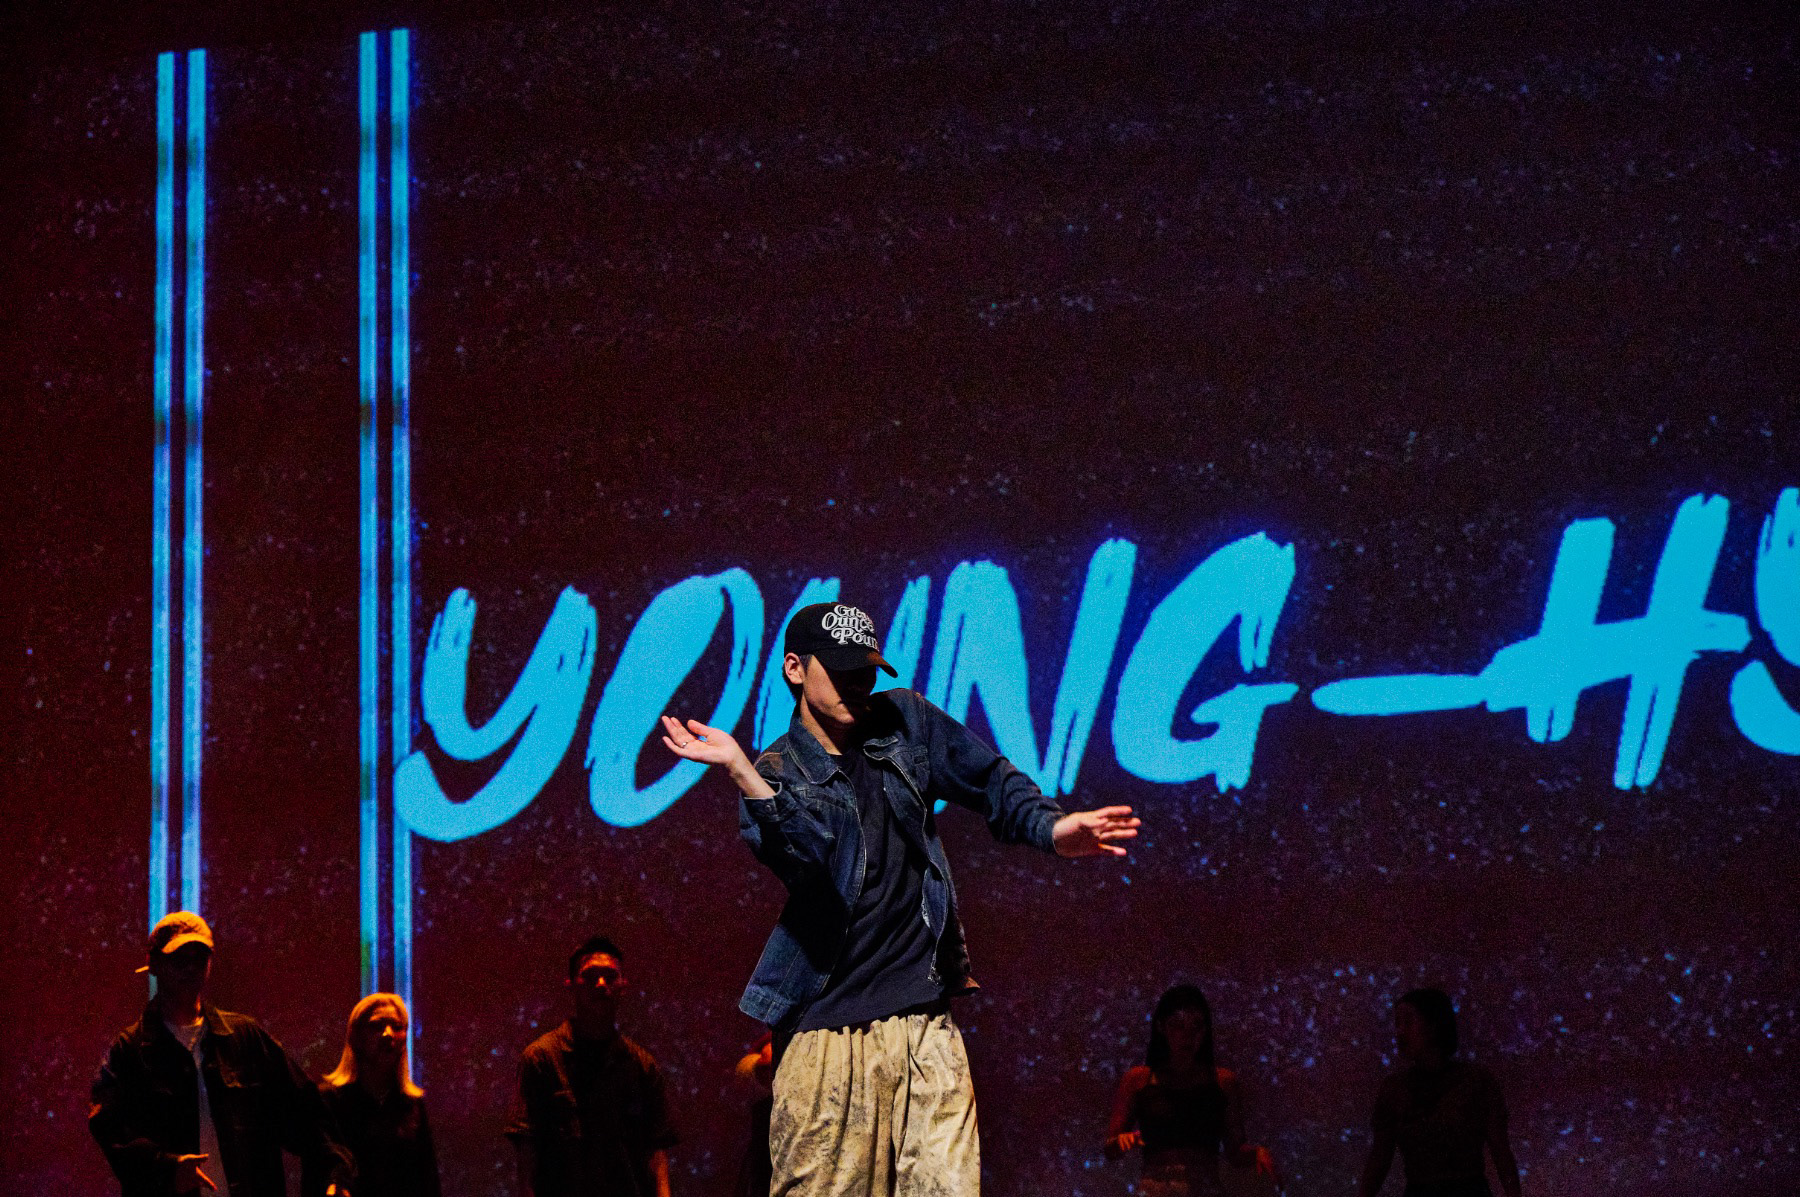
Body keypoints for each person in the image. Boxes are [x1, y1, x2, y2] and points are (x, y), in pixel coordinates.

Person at [660, 601, 1140, 1197]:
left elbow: (990, 779)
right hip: (826, 1032)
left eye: (865, 671)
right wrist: (741, 771)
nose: (857, 686)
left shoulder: (905, 721)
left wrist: (1052, 828)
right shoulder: (777, 772)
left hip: (922, 1020)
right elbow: (804, 857)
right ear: (794, 669)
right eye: (840, 672)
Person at [89, 910, 355, 1197]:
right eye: (180, 959)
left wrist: (335, 1173)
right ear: (154, 964)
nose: (191, 968)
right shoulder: (130, 1051)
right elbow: (111, 1130)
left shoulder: (246, 1039)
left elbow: (306, 1112)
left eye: (200, 958)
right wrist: (165, 1168)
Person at [505, 936, 678, 1197]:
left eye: (610, 976)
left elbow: (656, 1152)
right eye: (590, 976)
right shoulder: (542, 1060)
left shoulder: (641, 1066)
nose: (601, 984)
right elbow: (527, 1153)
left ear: (623, 985)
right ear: (571, 985)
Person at [1103, 985, 1278, 1196]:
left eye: (1196, 1026)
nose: (1188, 1035)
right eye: (1178, 1025)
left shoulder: (1222, 1081)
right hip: (1155, 1189)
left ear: (1205, 1030)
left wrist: (1257, 1153)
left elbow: (1234, 1151)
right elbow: (1110, 1148)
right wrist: (1122, 1142)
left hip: (1205, 1189)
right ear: (1161, 1027)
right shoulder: (1138, 1080)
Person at [1358, 988, 1522, 1197]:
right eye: (1397, 1023)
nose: (1399, 1032)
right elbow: (1380, 1158)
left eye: (1408, 1021)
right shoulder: (1394, 1089)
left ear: (1433, 1026)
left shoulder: (1477, 1082)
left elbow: (1501, 1151)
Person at [320, 993, 440, 1197]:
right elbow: (321, 1169)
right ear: (356, 1037)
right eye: (376, 1026)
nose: (388, 1034)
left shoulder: (412, 1106)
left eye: (397, 1026)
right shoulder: (329, 1100)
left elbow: (427, 1181)